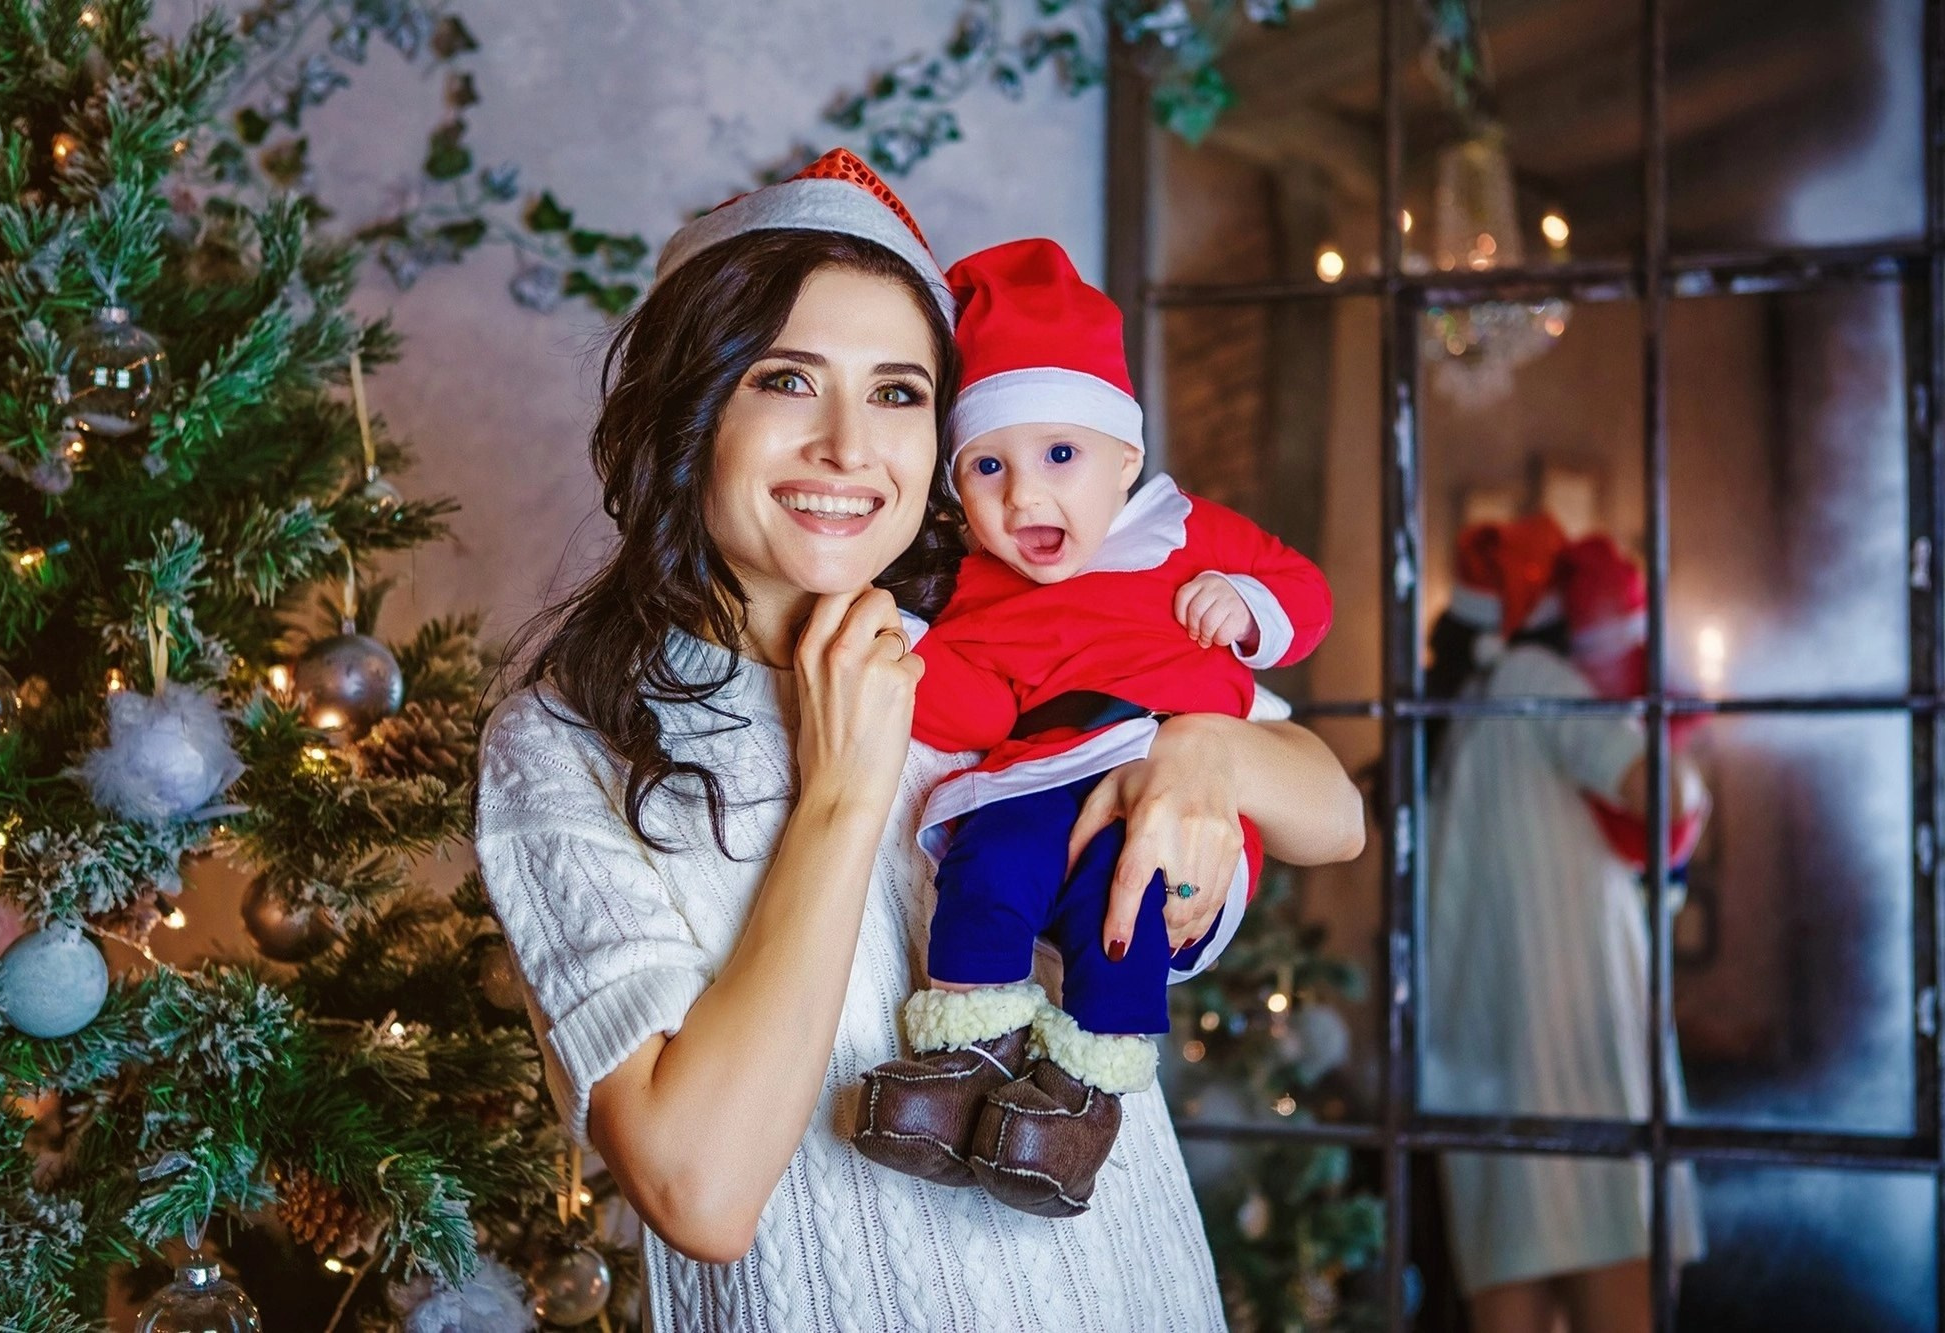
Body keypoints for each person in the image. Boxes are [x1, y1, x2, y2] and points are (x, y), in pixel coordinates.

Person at [474, 149, 1367, 1331]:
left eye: (897, 392)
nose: (849, 447)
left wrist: (1205, 753)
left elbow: (1334, 814)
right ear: (691, 410)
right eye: (786, 381)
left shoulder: (987, 634)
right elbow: (700, 1190)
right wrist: (841, 798)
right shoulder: (568, 740)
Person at [852, 238, 1333, 1218]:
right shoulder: (980, 585)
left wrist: (1243, 604)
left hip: (1162, 781)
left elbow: (1306, 596)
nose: (1024, 496)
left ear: (1128, 457)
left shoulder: (1185, 533)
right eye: (986, 465)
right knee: (985, 868)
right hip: (1033, 776)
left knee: (1120, 911)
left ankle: (1078, 1099)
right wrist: (896, 646)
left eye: (1060, 456)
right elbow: (968, 705)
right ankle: (964, 1053)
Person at [1422, 515, 1706, 1333]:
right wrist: (1675, 721)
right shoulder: (1530, 673)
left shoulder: (1453, 713)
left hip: (1482, 1063)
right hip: (1582, 1062)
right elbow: (1659, 790)